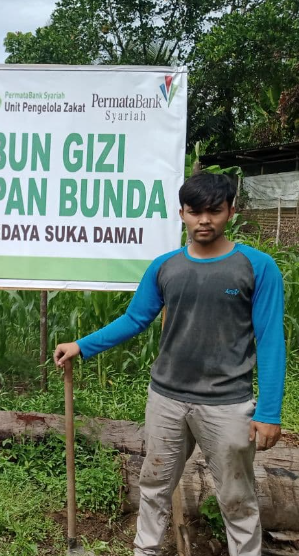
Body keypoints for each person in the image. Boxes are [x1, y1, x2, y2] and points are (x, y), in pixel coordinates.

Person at [53, 173, 286, 556]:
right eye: (195, 212)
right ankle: (145, 551)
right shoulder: (165, 267)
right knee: (154, 484)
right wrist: (82, 345)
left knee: (237, 496)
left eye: (214, 210)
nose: (204, 220)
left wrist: (270, 410)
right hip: (166, 400)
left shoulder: (257, 267)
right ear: (182, 214)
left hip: (227, 404)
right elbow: (134, 319)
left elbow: (271, 340)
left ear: (231, 210)